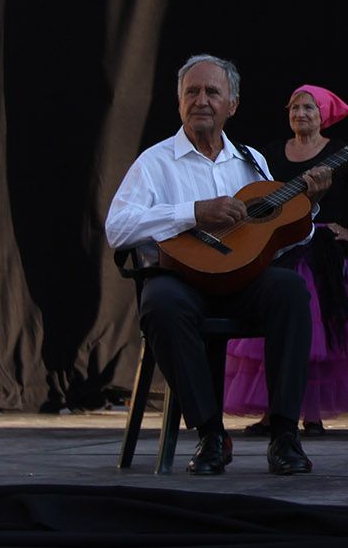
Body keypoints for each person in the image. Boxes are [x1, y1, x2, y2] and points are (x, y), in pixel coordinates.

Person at [105, 54, 330, 476]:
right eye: (192, 91)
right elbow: (117, 228)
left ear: (233, 104)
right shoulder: (155, 163)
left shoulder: (252, 162)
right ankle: (211, 434)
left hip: (242, 283)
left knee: (290, 291)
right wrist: (192, 212)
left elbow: (276, 245)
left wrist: (309, 207)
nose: (202, 100)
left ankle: (284, 435)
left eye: (212, 91)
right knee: (160, 303)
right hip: (182, 283)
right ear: (179, 103)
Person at [223, 84, 348, 436]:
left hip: (319, 255)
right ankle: (273, 413)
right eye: (295, 108)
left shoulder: (339, 153)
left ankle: (311, 414)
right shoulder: (270, 153)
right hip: (277, 249)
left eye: (309, 108)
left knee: (316, 337)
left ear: (322, 116)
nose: (301, 114)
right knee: (267, 335)